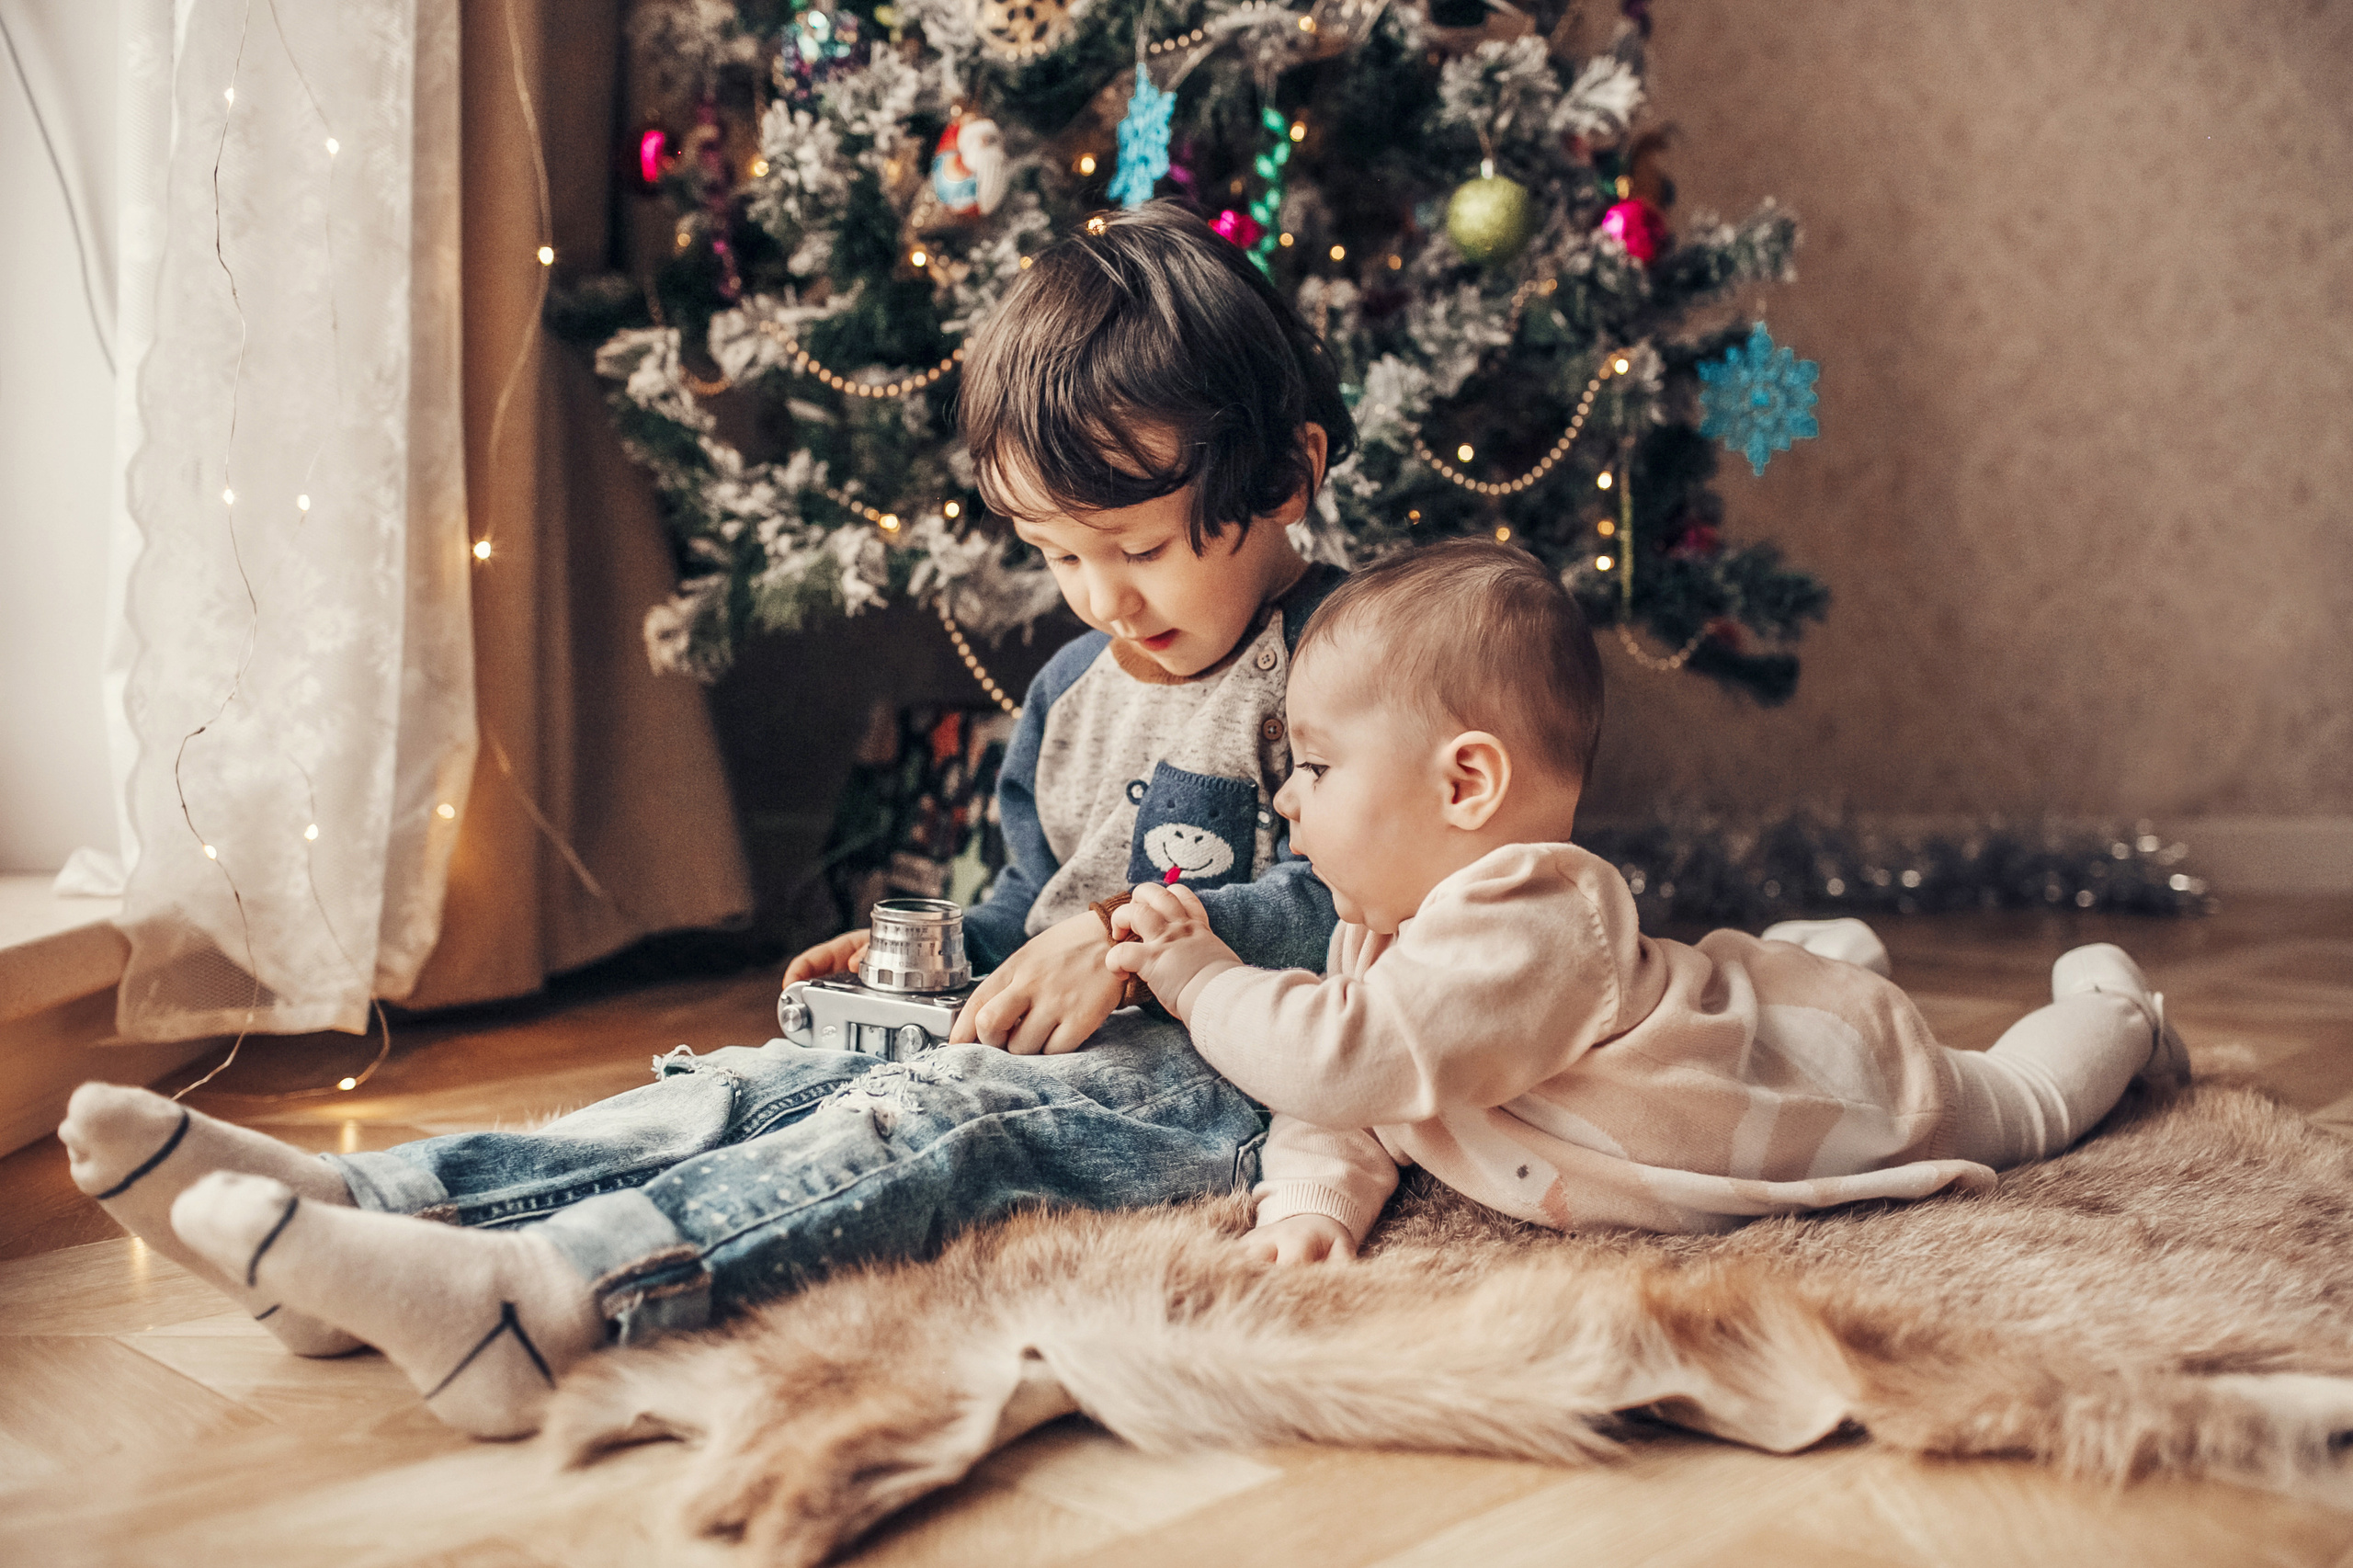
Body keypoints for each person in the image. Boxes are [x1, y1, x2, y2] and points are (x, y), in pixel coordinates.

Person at [55, 201, 1356, 1437]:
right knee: (757, 1085)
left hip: (1218, 1088)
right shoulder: (1074, 689)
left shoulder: (1353, 667)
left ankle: (557, 1296)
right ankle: (373, 1201)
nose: (1101, 598)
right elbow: (1034, 904)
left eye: (1135, 547)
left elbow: (1363, 904)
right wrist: (951, 949)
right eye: (1059, 554)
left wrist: (1135, 942)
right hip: (1039, 1034)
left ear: (1288, 473)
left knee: (920, 1121)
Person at [1107, 539, 2192, 1265]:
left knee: (2023, 1107)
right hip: (1722, 1023)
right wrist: (1309, 1205)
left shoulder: (1530, 911)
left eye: (1319, 765)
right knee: (1756, 982)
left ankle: (2112, 1007)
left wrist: (1206, 980)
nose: (1286, 795)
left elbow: (1342, 1057)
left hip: (1842, 1090)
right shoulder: (1377, 936)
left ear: (1465, 783)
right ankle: (1815, 958)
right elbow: (1349, 1105)